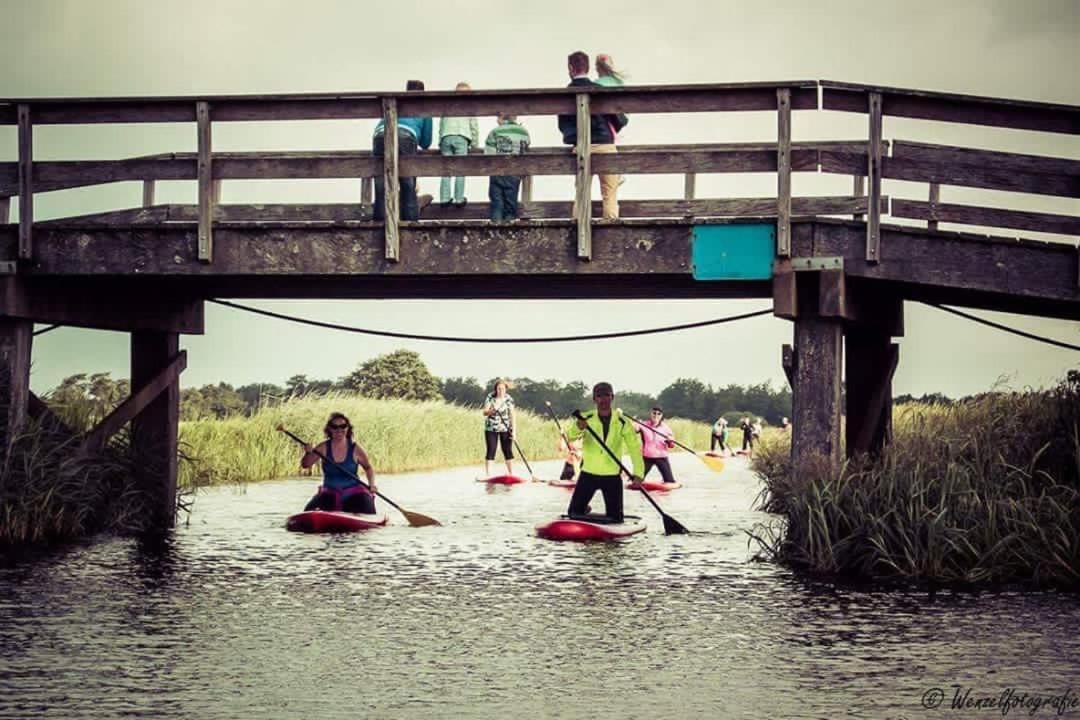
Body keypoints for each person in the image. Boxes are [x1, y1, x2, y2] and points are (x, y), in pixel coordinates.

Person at [557, 51, 629, 220]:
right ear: (588, 68)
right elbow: (620, 119)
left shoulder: (564, 93)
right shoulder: (599, 90)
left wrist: (576, 138)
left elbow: (564, 127)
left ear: (570, 68)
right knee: (610, 193)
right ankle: (610, 230)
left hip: (582, 146)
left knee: (581, 193)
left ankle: (578, 231)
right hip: (605, 145)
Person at [565, 382, 644, 522]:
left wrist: (638, 473)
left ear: (612, 397)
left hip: (612, 475)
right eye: (599, 396)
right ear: (594, 399)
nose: (603, 400)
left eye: (606, 395)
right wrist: (578, 427)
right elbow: (570, 436)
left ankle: (602, 519)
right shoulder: (585, 418)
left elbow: (634, 448)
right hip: (589, 473)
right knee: (573, 514)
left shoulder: (623, 422)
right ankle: (584, 510)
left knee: (616, 519)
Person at [372, 79, 433, 221]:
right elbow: (426, 142)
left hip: (380, 134)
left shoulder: (397, 102)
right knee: (408, 183)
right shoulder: (425, 107)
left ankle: (379, 224)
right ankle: (410, 223)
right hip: (406, 135)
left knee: (381, 184)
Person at [299, 412, 377, 514]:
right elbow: (306, 465)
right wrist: (308, 453)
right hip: (330, 492)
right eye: (334, 427)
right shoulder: (323, 447)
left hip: (353, 492)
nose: (339, 430)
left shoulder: (355, 449)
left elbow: (368, 468)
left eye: (343, 426)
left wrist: (371, 485)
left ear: (348, 428)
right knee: (309, 510)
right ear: (330, 429)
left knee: (366, 506)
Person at [438, 82, 480, 208]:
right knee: (460, 170)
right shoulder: (469, 106)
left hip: (446, 137)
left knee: (446, 170)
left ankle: (444, 199)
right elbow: (474, 127)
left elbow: (441, 124)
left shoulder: (447, 105)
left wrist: (440, 140)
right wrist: (475, 144)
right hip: (461, 136)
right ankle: (459, 199)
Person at [484, 112, 531, 221]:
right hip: (515, 171)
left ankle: (496, 223)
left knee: (496, 199)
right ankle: (509, 223)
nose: (496, 121)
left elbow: (488, 154)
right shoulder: (523, 132)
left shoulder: (495, 131)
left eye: (497, 118)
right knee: (511, 199)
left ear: (501, 118)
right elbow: (525, 150)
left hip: (497, 171)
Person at [482, 378, 516, 477]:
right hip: (491, 428)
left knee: (507, 450)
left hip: (505, 428)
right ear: (495, 389)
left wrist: (514, 432)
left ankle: (511, 474)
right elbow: (484, 412)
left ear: (506, 389)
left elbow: (512, 416)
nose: (501, 391)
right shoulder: (490, 397)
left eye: (503, 389)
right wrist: (491, 411)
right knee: (491, 450)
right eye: (499, 389)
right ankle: (488, 475)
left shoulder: (509, 399)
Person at [635, 406, 678, 484]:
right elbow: (634, 430)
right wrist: (634, 423)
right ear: (651, 414)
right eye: (654, 413)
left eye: (659, 414)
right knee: (636, 481)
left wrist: (670, 441)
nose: (656, 415)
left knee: (670, 481)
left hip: (662, 457)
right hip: (647, 457)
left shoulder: (666, 428)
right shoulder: (643, 425)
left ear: (661, 416)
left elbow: (671, 446)